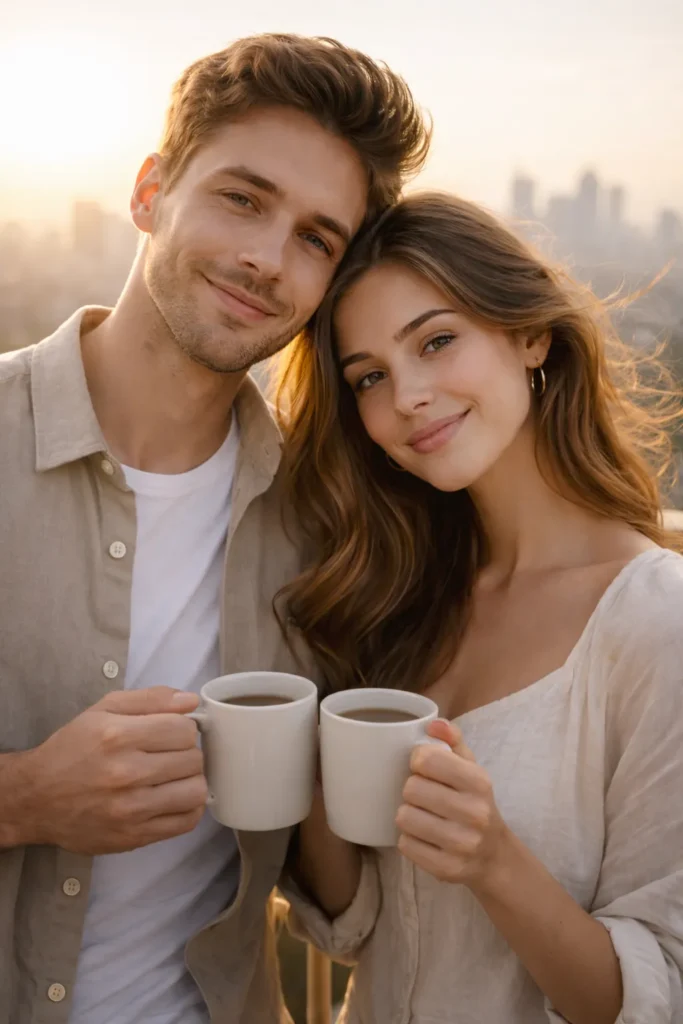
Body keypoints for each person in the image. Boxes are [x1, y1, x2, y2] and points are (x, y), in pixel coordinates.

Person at [0, 35, 430, 1024]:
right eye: (242, 198)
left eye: (316, 238)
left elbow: (341, 908)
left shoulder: (323, 525)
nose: (264, 260)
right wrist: (22, 798)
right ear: (152, 189)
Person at [277, 192, 683, 1023]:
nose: (409, 397)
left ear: (529, 334)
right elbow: (358, 932)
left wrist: (495, 861)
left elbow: (656, 996)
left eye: (435, 341)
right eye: (370, 378)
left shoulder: (653, 624)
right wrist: (312, 787)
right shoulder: (400, 595)